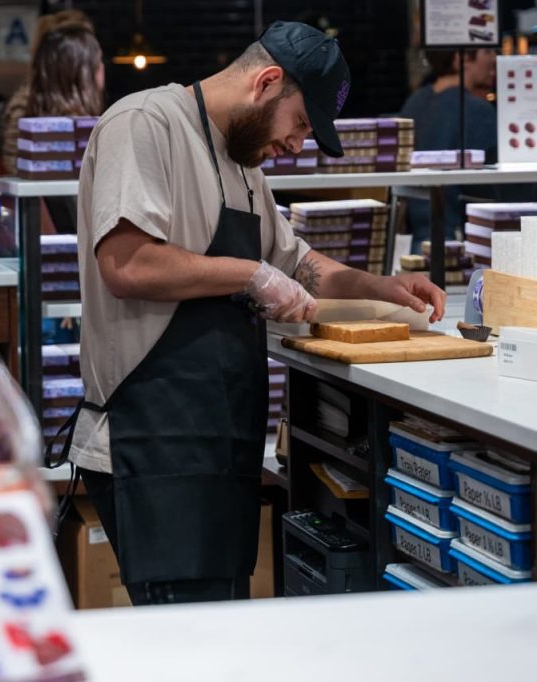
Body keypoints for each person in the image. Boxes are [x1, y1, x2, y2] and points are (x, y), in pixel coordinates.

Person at [63, 21, 446, 606]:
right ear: (267, 82)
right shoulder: (145, 124)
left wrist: (383, 286)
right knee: (185, 642)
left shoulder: (244, 165)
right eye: (299, 124)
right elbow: (129, 264)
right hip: (152, 441)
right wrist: (249, 274)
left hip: (218, 440)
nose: (297, 145)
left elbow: (296, 263)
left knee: (221, 630)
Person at [399, 49, 497, 251]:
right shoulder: (477, 110)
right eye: (486, 51)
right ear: (460, 58)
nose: (493, 58)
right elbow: (489, 188)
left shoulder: (414, 102)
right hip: (457, 240)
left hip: (412, 242)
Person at [1, 10, 95, 171]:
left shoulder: (78, 99)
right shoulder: (25, 104)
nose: (90, 55)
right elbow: (14, 168)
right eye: (81, 45)